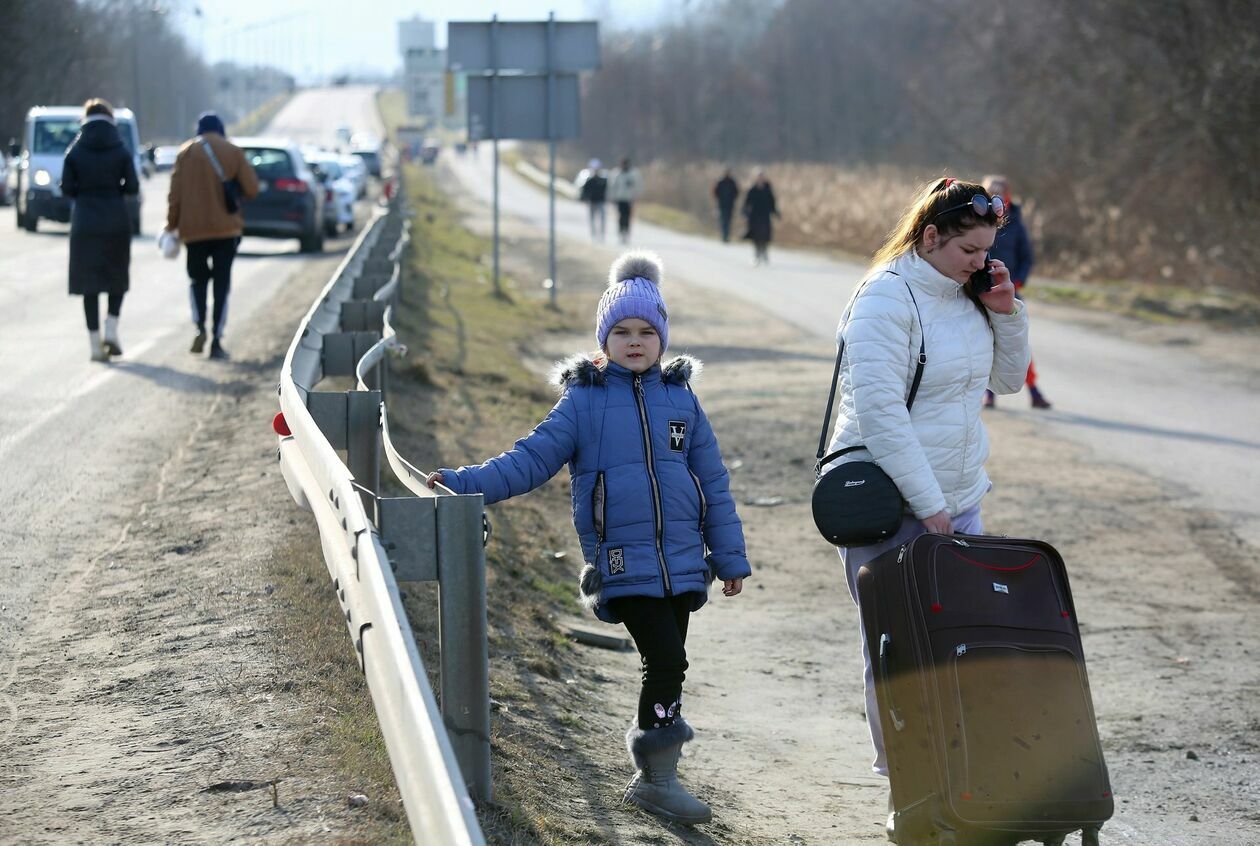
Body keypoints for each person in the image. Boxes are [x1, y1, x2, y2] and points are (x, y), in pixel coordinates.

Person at [425, 252, 750, 826]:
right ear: (603, 341)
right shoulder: (584, 402)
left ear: (663, 339)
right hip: (622, 560)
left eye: (647, 332)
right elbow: (528, 461)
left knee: (670, 663)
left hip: (681, 561)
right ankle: (660, 778)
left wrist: (727, 556)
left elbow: (713, 481)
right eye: (621, 331)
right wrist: (461, 483)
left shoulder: (682, 401)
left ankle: (653, 774)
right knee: (667, 657)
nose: (635, 341)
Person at [820, 178, 1030, 824]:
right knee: (899, 658)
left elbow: (1005, 381)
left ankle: (960, 790)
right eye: (968, 249)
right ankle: (909, 797)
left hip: (960, 500)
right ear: (930, 235)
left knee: (963, 654)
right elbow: (882, 416)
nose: (979, 261)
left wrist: (1005, 309)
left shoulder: (969, 294)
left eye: (986, 249)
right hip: (893, 510)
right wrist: (931, 509)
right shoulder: (886, 300)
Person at [164, 111, 259, 360]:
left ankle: (199, 327)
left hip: (193, 231)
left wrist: (171, 225)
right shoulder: (233, 151)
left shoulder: (185, 153)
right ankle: (217, 338)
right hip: (226, 230)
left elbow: (174, 196)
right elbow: (252, 189)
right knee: (221, 283)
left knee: (197, 281)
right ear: (220, 129)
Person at [61, 98, 139, 362]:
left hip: (85, 220)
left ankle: (95, 344)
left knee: (89, 282)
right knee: (116, 274)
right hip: (116, 219)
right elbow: (132, 187)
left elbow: (66, 188)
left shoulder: (76, 149)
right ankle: (111, 327)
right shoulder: (120, 148)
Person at [982, 174, 1051, 409]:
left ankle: (1033, 390)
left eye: (1001, 190)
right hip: (980, 288)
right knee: (983, 341)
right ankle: (988, 393)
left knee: (1016, 343)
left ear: (1008, 194)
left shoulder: (1016, 223)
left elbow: (1027, 258)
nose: (996, 194)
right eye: (992, 190)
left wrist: (1017, 283)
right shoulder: (974, 219)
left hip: (1009, 291)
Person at [741, 171, 779, 265]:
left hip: (765, 216)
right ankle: (757, 254)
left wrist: (776, 212)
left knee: (765, 235)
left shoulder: (767, 190)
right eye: (759, 177)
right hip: (754, 216)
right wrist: (744, 211)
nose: (760, 179)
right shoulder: (752, 190)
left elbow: (772, 202)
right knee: (755, 236)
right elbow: (747, 202)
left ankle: (764, 251)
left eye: (762, 177)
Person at [608, 158, 643, 244]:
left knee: (627, 217)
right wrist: (612, 197)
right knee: (620, 217)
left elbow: (638, 185)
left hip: (629, 199)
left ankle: (626, 233)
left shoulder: (633, 174)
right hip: (620, 199)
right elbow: (613, 186)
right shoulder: (617, 173)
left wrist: (636, 195)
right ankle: (621, 232)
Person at [577, 158, 608, 241]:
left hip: (600, 202)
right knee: (592, 219)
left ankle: (601, 235)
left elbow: (607, 190)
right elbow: (584, 191)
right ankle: (593, 235)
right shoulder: (589, 180)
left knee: (602, 219)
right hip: (592, 202)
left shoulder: (603, 179)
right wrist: (583, 198)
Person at [713, 169, 739, 242]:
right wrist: (719, 199)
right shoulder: (720, 182)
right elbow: (715, 192)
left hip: (730, 205)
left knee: (728, 220)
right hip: (722, 205)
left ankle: (727, 235)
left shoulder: (732, 182)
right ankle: (724, 235)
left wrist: (732, 199)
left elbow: (736, 192)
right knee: (723, 220)